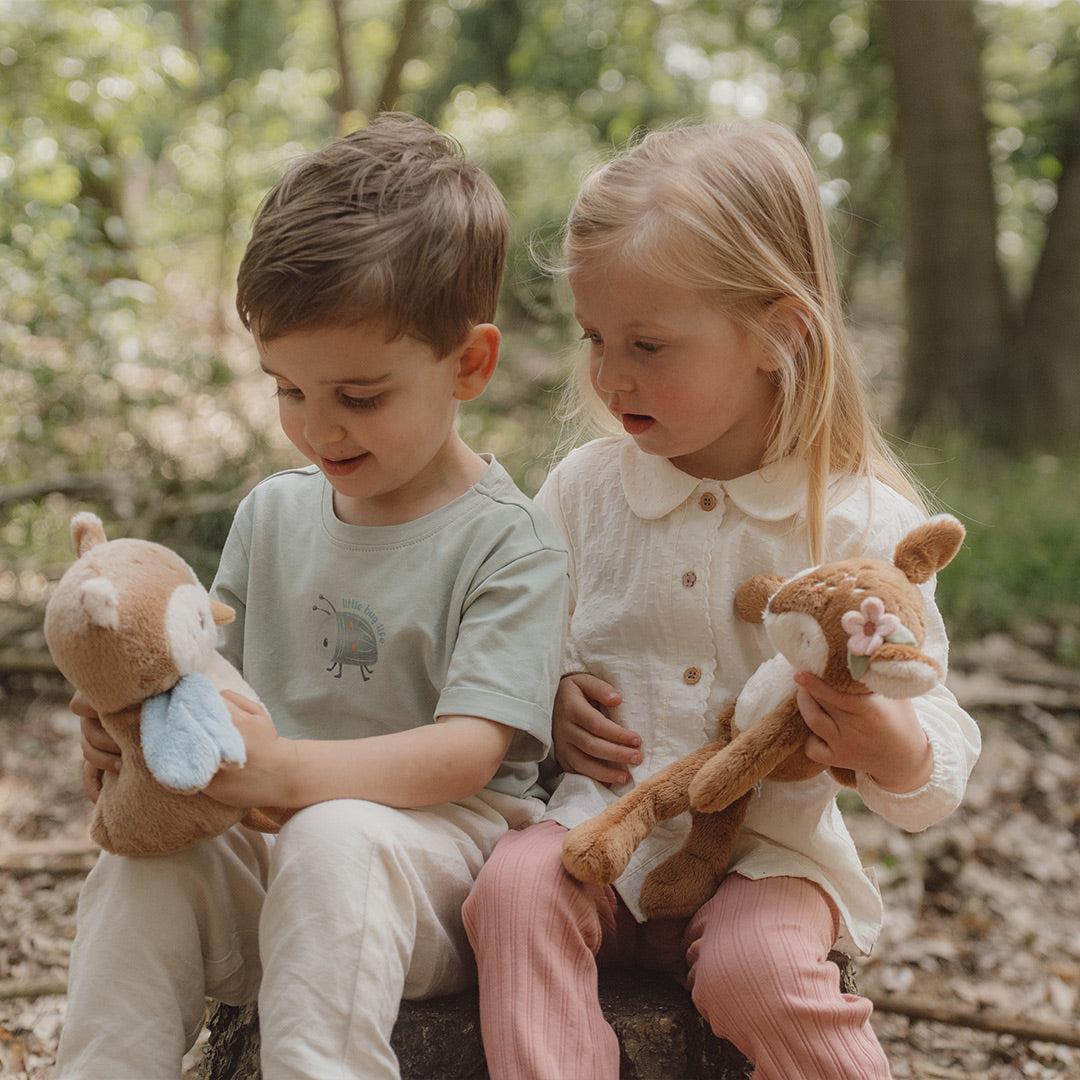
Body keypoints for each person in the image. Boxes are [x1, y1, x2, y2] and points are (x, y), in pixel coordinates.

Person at [462, 120, 981, 1080]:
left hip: (768, 862)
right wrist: (551, 691)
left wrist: (893, 749)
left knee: (758, 972)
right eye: (597, 339)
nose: (613, 375)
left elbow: (938, 725)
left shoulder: (859, 522)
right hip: (600, 831)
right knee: (511, 893)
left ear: (776, 336)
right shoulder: (582, 493)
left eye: (649, 344)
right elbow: (502, 636)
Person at [58, 114, 569, 1080]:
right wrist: (137, 732)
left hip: (438, 874)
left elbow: (472, 750)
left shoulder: (511, 539)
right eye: (287, 390)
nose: (315, 427)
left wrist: (291, 773)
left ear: (468, 363)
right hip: (271, 850)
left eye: (359, 396)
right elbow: (207, 686)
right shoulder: (273, 515)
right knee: (144, 870)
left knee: (336, 838)